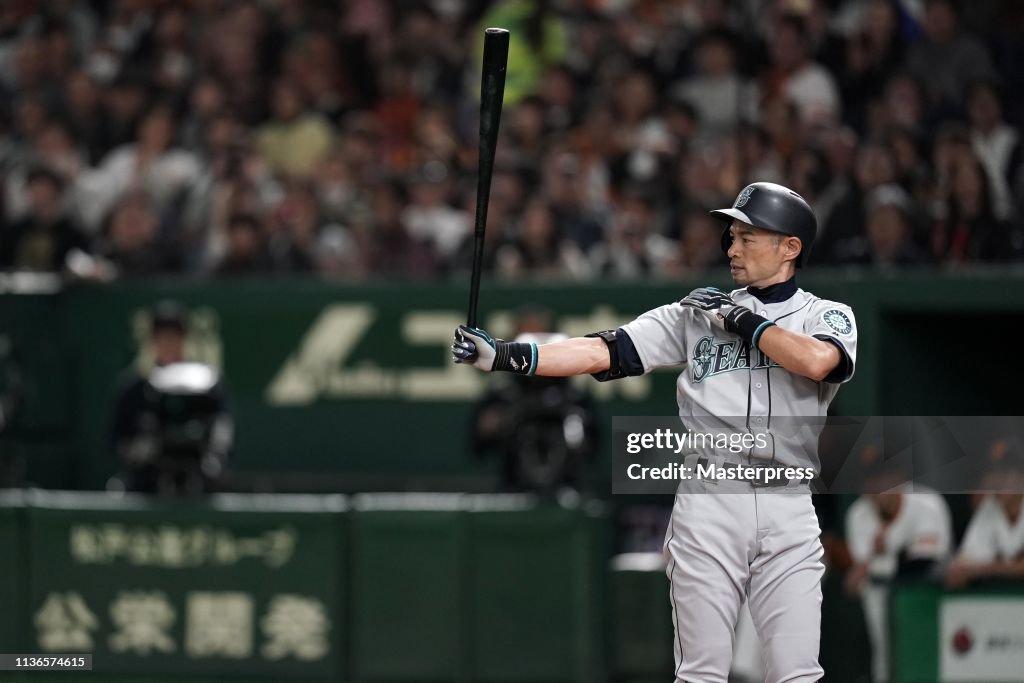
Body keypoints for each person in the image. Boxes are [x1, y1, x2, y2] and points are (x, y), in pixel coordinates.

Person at [453, 182, 857, 682]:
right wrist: (508, 356)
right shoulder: (697, 313)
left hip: (788, 501)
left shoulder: (826, 315)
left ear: (789, 247)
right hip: (711, 500)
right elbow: (605, 349)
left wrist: (742, 320)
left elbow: (819, 362)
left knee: (797, 674)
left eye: (747, 237)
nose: (731, 248)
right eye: (732, 236)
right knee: (700, 674)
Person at [844, 448, 952, 683]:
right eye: (870, 479)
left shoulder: (928, 504)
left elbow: (926, 562)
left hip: (932, 595)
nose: (878, 487)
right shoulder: (858, 514)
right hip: (881, 597)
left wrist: (885, 553)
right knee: (886, 657)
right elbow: (864, 574)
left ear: (900, 477)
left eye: (884, 477)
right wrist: (894, 554)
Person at [111, 301, 233, 496]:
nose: (168, 344)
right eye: (162, 337)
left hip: (199, 488)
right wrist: (142, 450)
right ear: (152, 341)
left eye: (174, 337)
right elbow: (118, 440)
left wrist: (214, 456)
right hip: (145, 487)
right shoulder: (135, 389)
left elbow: (222, 428)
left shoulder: (206, 383)